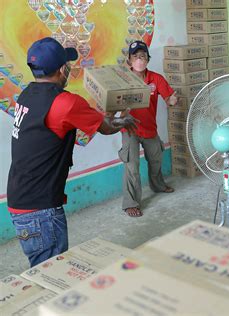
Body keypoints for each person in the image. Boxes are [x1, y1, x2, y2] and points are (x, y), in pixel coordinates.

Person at [7, 37, 138, 267]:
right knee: (54, 275)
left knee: (43, 272)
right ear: (61, 69)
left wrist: (106, 116)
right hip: (40, 209)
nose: (69, 69)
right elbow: (106, 128)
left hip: (20, 199)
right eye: (67, 65)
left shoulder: (27, 94)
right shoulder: (65, 103)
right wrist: (121, 117)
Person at [120, 40, 178, 217]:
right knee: (132, 165)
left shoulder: (155, 78)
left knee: (156, 158)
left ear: (147, 59)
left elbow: (169, 98)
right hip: (129, 128)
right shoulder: (122, 78)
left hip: (149, 128)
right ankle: (131, 203)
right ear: (129, 60)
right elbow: (112, 104)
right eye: (135, 57)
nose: (139, 60)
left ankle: (158, 185)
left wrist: (172, 101)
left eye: (143, 56)